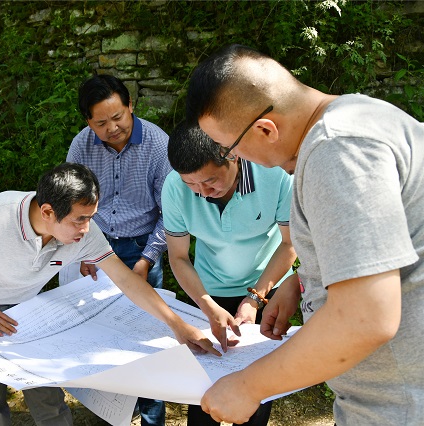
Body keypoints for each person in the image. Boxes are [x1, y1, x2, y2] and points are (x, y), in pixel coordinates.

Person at [187, 43, 424, 425]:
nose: (237, 161)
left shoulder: (337, 151)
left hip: (400, 404)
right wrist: (303, 282)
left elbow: (366, 317)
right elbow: (389, 244)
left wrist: (247, 387)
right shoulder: (361, 116)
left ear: (266, 129)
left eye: (231, 149)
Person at [0, 162, 217, 426]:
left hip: (29, 310)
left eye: (91, 217)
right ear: (48, 212)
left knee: (47, 394)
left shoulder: (84, 232)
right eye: (79, 220)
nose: (87, 228)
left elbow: (126, 281)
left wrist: (177, 324)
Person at [163, 122, 296, 426]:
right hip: (207, 291)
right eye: (191, 185)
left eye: (210, 181)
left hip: (265, 290)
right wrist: (207, 305)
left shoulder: (274, 175)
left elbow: (290, 244)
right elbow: (179, 257)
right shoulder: (174, 187)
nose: (203, 193)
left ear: (232, 156)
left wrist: (255, 299)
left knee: (256, 394)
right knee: (203, 395)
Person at [64, 74, 172, 425]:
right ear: (88, 122)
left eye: (118, 117)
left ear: (130, 106)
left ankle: (151, 417)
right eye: (101, 122)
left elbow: (170, 215)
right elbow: (70, 205)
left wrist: (146, 260)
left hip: (141, 247)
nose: (112, 128)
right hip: (95, 248)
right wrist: (82, 251)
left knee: (147, 340)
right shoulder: (81, 146)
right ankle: (112, 413)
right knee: (101, 336)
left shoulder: (157, 145)